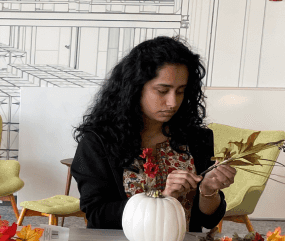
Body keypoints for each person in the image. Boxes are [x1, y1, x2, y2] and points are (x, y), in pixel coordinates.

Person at [71, 36, 236, 230]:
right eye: (162, 91)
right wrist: (160, 199)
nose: (173, 102)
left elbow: (206, 221)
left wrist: (209, 190)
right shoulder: (99, 141)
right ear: (135, 88)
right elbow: (97, 214)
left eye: (181, 91)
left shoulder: (197, 138)